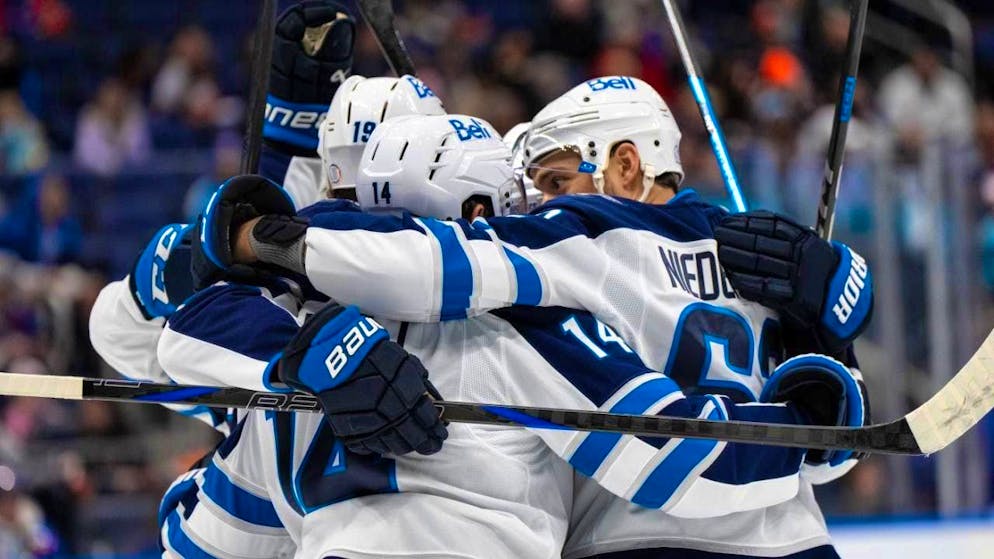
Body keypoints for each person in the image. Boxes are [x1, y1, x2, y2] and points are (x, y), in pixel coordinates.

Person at [206, 76, 873, 558]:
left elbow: (427, 265)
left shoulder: (575, 235)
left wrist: (260, 237)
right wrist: (835, 321)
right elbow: (836, 443)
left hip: (637, 538)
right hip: (801, 540)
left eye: (553, 179)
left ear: (625, 163)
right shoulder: (756, 248)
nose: (534, 202)